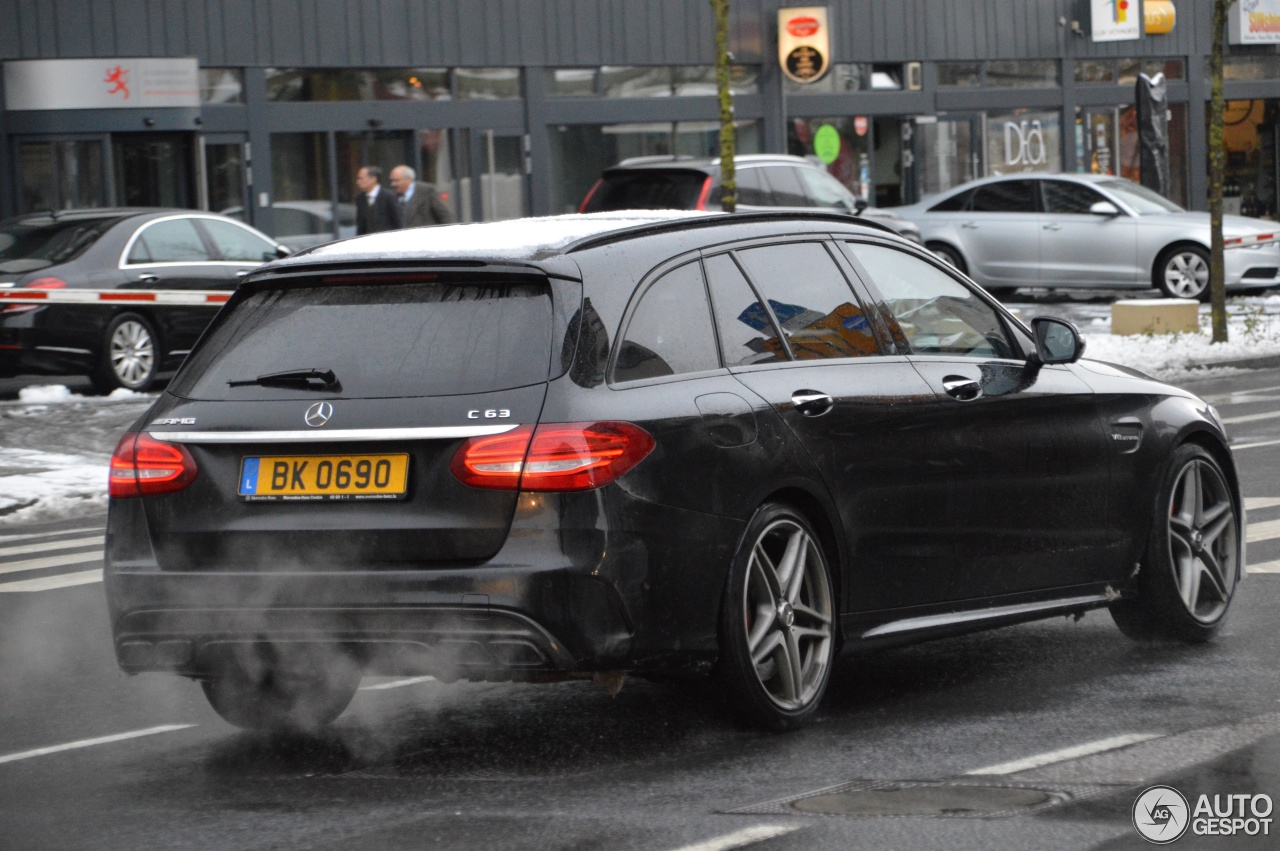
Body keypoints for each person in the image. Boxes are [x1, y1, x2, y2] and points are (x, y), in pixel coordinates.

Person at [389, 165, 454, 227]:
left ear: (408, 179)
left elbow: (444, 216)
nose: (393, 184)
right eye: (392, 181)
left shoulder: (426, 191)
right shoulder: (392, 196)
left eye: (396, 180)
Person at [354, 165, 402, 234]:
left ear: (373, 179)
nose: (358, 182)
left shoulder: (388, 196)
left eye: (361, 179)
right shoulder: (360, 198)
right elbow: (361, 225)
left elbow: (398, 222)